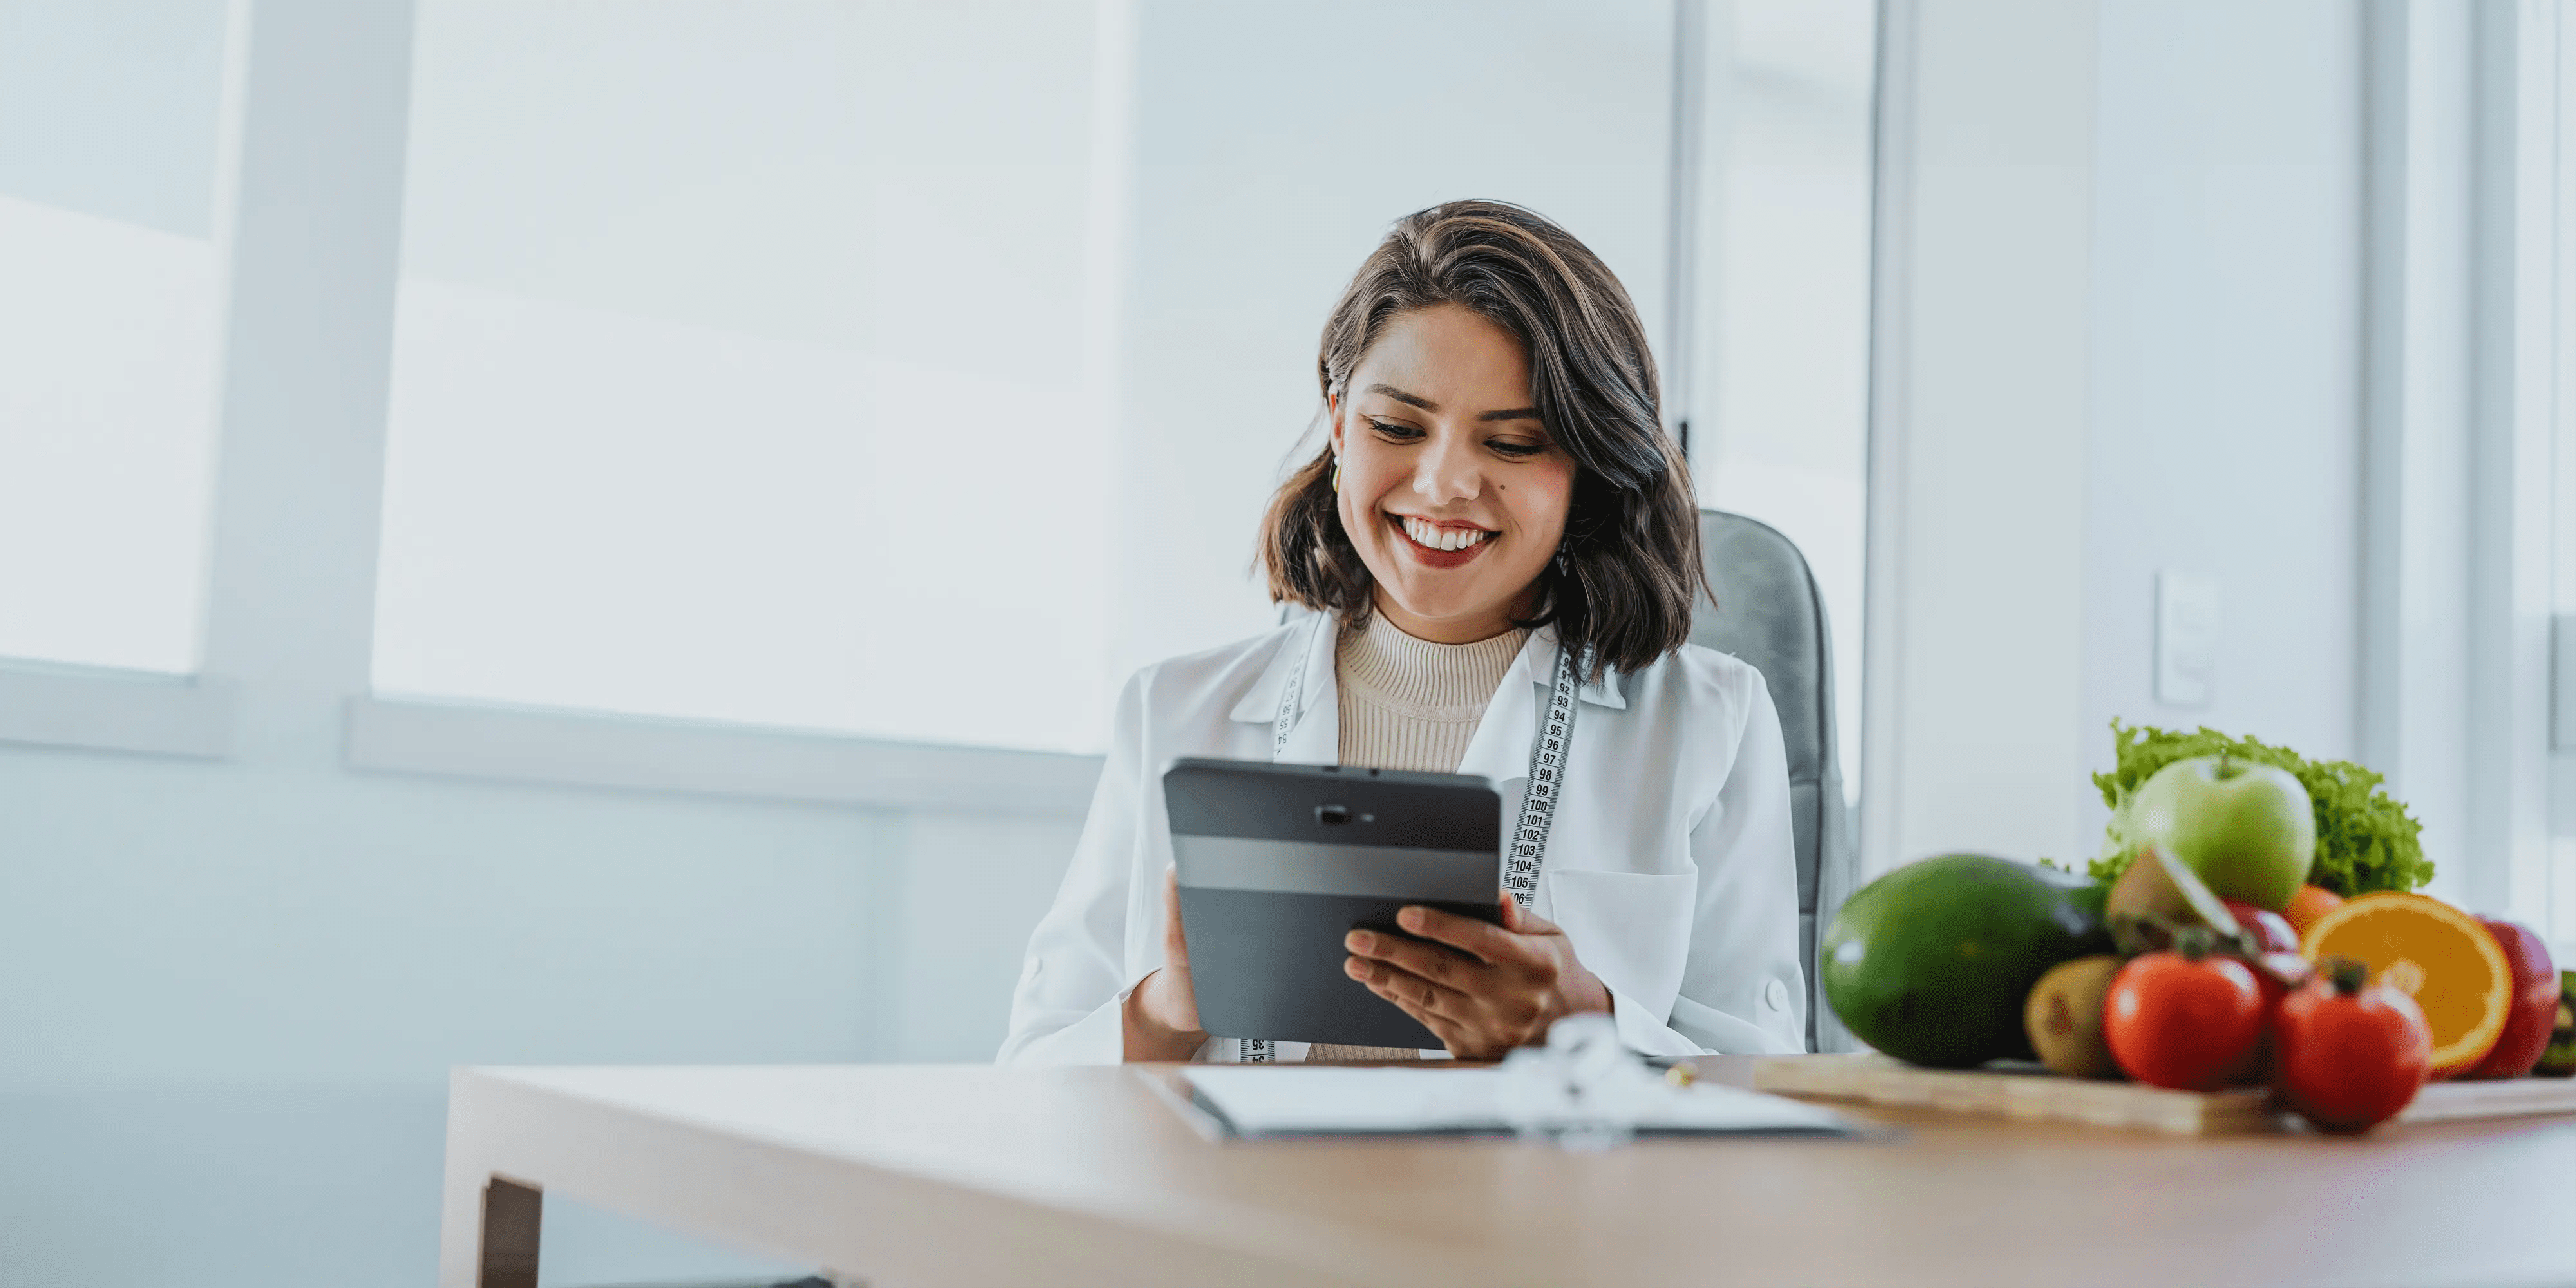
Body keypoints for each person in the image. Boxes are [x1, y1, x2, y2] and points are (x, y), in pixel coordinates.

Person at [999, 200, 1804, 1065]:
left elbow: (1769, 1084)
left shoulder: (1708, 721)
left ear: (1591, 469)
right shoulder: (1171, 710)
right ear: (1340, 423)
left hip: (1542, 1204)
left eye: (1515, 443)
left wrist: (1592, 1025)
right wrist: (1161, 1015)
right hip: (1243, 1202)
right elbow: (1032, 1071)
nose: (1445, 482)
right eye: (1397, 428)